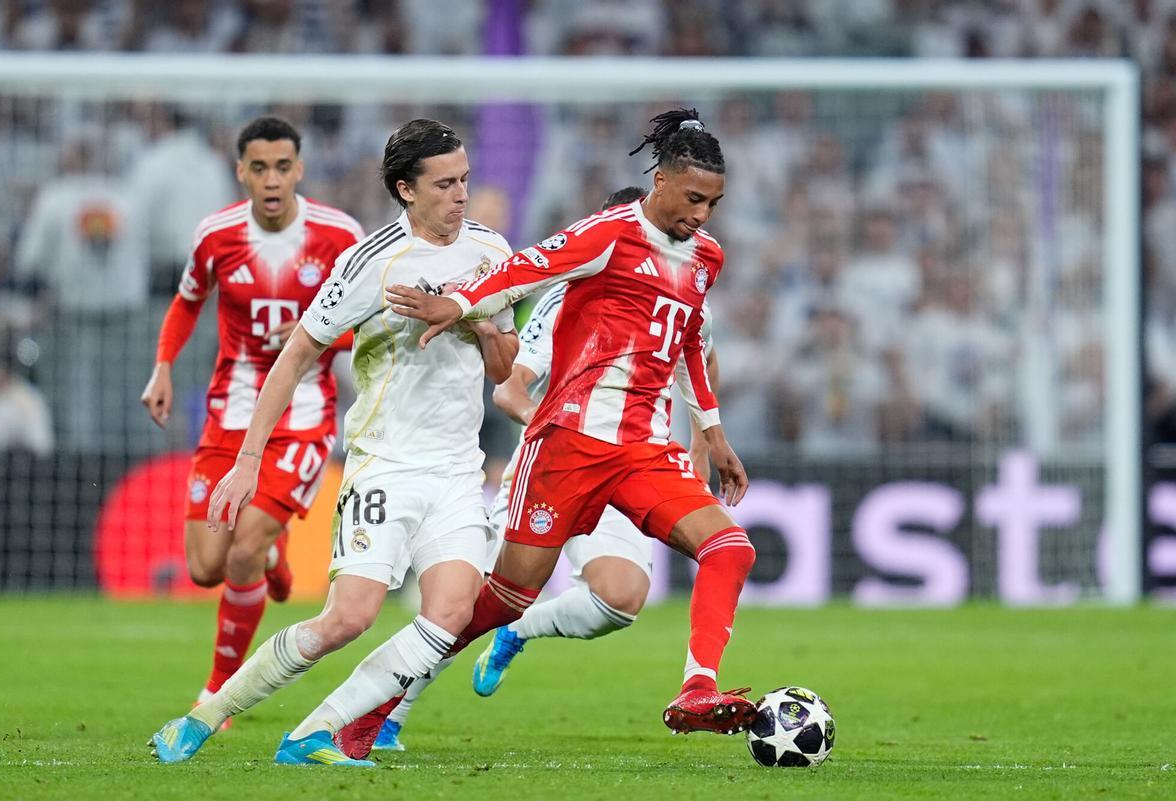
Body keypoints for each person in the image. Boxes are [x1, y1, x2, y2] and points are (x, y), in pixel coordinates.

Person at [149, 118, 519, 766]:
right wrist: (247, 462)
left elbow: (502, 367)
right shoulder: (370, 261)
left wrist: (481, 323)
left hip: (457, 469)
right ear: (406, 189)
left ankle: (313, 731)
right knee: (347, 618)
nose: (461, 195)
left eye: (464, 179)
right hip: (385, 466)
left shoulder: (491, 251)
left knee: (452, 613)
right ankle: (208, 713)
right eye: (444, 184)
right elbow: (294, 356)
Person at [383, 108, 757, 741]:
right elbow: (528, 268)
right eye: (693, 199)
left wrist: (712, 432)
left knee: (698, 564)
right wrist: (457, 302)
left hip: (639, 453)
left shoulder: (704, 259)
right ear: (658, 183)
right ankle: (385, 707)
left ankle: (697, 689)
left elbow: (693, 335)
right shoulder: (601, 245)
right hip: (566, 452)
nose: (701, 216)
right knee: (496, 600)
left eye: (713, 204)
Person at [139, 116, 363, 724]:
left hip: (303, 416)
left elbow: (367, 322)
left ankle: (218, 690)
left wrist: (320, 336)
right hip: (230, 415)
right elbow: (187, 302)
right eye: (258, 168)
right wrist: (163, 368)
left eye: (282, 166)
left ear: (300, 169)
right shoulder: (216, 236)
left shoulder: (339, 235)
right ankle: (271, 555)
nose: (271, 179)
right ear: (241, 171)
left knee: (241, 553)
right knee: (206, 566)